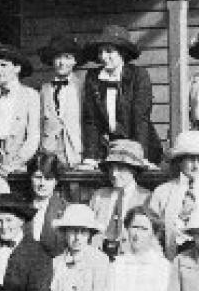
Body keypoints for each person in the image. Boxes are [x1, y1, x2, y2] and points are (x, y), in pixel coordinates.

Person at [82, 25, 162, 163]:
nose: (103, 57)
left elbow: (140, 119)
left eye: (108, 51)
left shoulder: (138, 76)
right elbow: (91, 120)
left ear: (122, 53)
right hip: (107, 150)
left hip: (138, 144)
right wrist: (90, 156)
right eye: (100, 52)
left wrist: (141, 156)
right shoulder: (93, 77)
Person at [0, 43, 40, 174]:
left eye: (4, 65)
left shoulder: (30, 96)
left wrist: (14, 164)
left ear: (17, 68)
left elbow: (33, 137)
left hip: (17, 167)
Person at [89, 139, 150, 258]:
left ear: (134, 169)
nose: (114, 174)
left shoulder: (146, 198)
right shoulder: (99, 196)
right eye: (111, 168)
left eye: (121, 168)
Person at [149, 130, 199, 260]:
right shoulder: (163, 192)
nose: (196, 165)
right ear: (179, 161)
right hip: (171, 260)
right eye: (190, 159)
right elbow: (153, 234)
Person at [37, 34, 83, 167]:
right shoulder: (44, 90)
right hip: (48, 154)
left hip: (75, 153)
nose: (62, 63)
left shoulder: (82, 88)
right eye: (57, 58)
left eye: (67, 57)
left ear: (75, 61)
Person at [26, 152, 66, 257]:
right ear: (30, 178)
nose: (42, 183)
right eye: (38, 177)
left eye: (48, 178)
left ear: (56, 181)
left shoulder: (66, 210)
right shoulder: (21, 207)